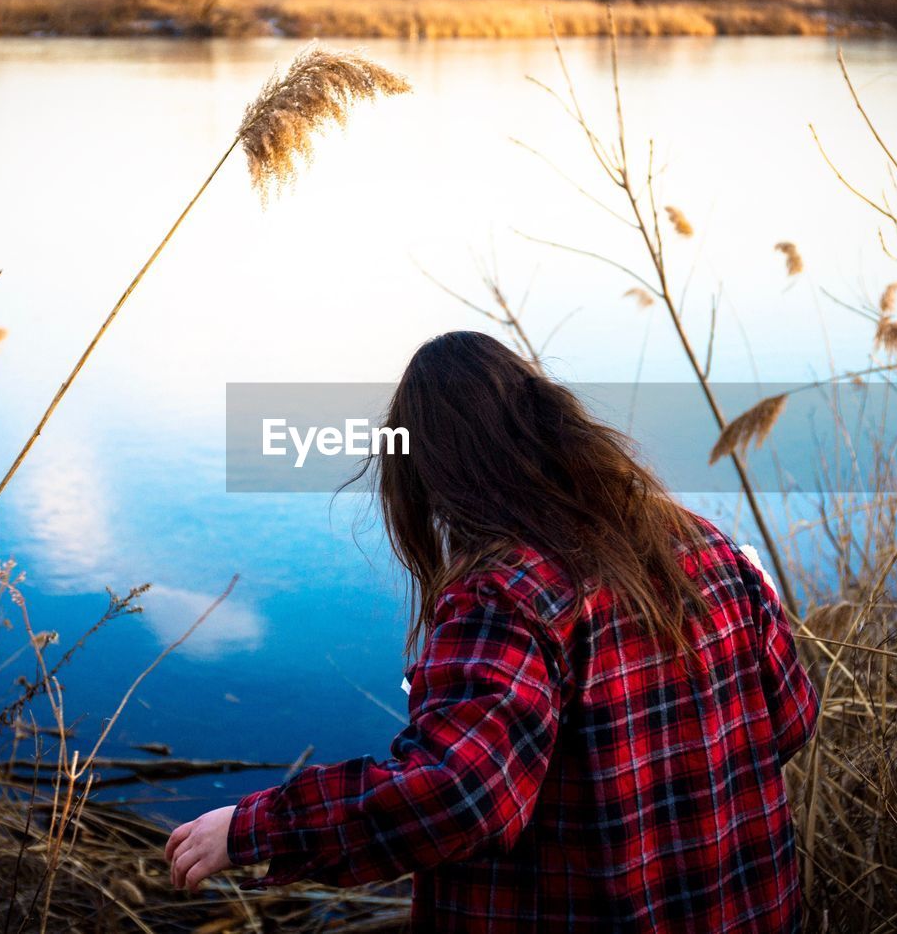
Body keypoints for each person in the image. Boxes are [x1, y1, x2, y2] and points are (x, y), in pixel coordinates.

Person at [165, 331, 819, 932]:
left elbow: (457, 792)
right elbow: (792, 720)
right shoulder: (713, 551)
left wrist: (251, 829)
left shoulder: (506, 597)